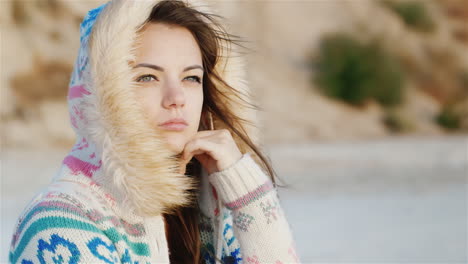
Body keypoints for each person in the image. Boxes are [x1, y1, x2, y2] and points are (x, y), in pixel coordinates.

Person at [8, 0, 301, 263]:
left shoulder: (217, 207)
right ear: (100, 95)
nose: (177, 97)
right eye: (147, 77)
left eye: (191, 78)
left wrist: (248, 194)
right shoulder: (60, 224)